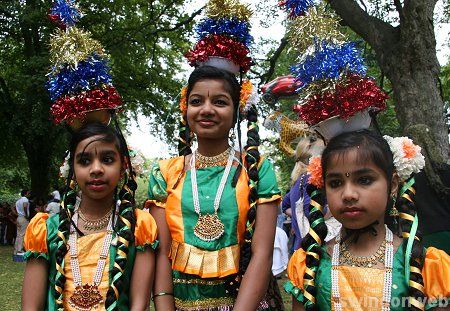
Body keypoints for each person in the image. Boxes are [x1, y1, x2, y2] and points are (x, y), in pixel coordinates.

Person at [148, 65, 281, 310]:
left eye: (219, 102)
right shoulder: (165, 173)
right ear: (185, 108)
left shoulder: (257, 170)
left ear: (236, 112)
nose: (206, 110)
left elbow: (262, 254)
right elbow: (161, 254)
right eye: (197, 101)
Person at [285, 130, 450, 310]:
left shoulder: (427, 266)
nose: (348, 194)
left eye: (364, 180)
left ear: (393, 184)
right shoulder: (310, 264)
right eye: (335, 183)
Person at [22, 122, 158, 310]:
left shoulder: (138, 227)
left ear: (123, 168)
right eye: (85, 161)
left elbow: (139, 305)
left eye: (107, 159)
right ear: (72, 169)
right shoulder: (46, 229)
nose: (96, 169)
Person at [14, 189, 29, 254]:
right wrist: (26, 215)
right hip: (23, 218)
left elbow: (13, 207)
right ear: (26, 193)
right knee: (23, 234)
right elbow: (25, 206)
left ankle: (16, 250)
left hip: (18, 218)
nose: (29, 194)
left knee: (18, 234)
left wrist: (17, 214)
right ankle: (20, 250)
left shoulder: (18, 201)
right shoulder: (25, 199)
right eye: (28, 192)